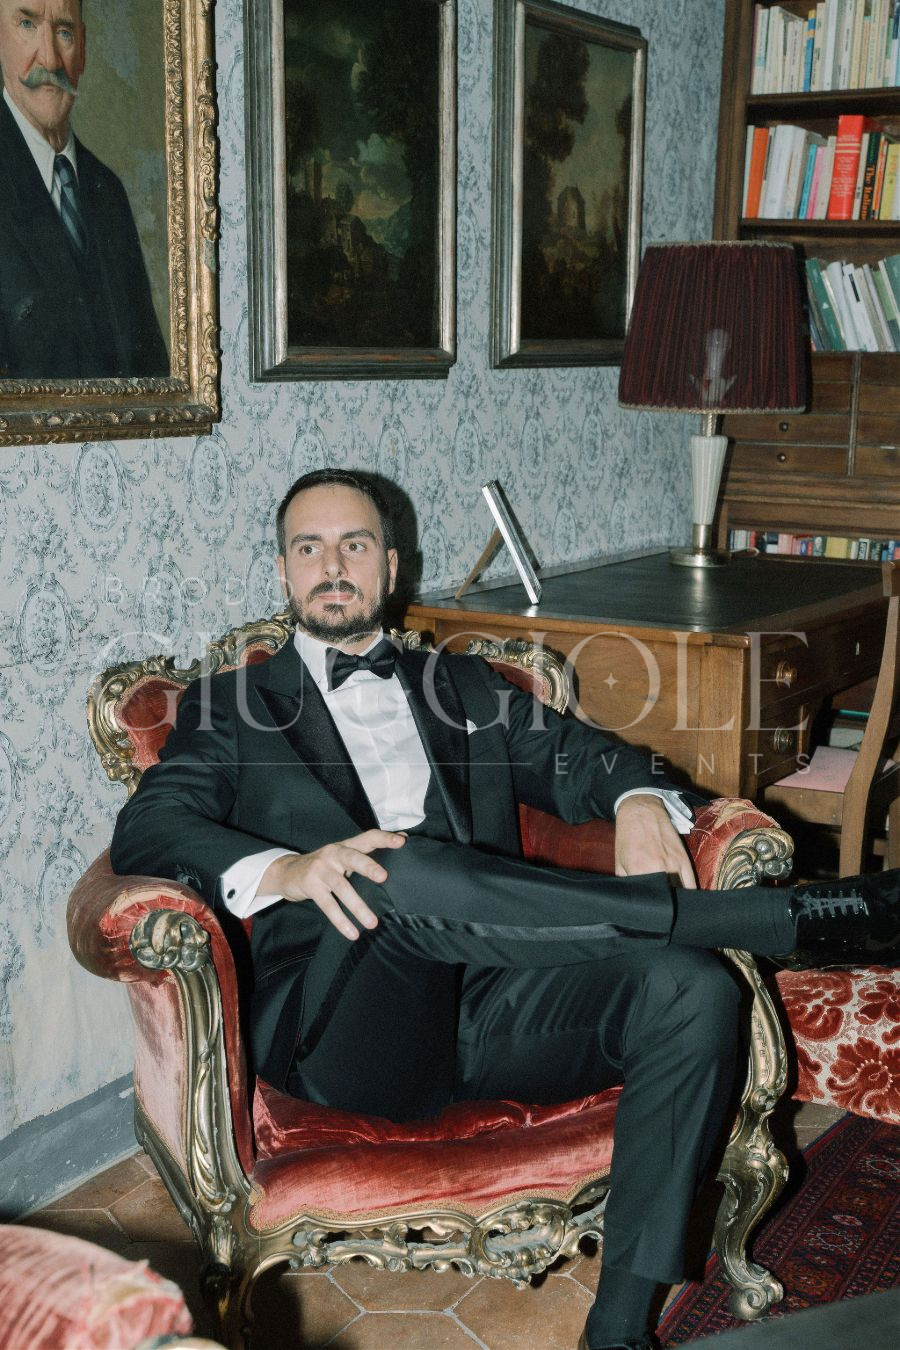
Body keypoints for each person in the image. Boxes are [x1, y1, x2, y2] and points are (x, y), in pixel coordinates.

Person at [111, 469, 900, 1350]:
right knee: (386, 865)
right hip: (348, 1030)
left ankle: (619, 1329)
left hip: (500, 998)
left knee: (694, 990)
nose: (332, 566)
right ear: (284, 569)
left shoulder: (464, 687)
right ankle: (774, 923)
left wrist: (639, 799)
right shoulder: (232, 707)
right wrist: (287, 870)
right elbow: (151, 825)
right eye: (310, 548)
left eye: (355, 545)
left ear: (392, 566)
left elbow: (588, 758)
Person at [0, 0, 168, 379]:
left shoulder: (108, 191)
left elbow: (153, 375)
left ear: (84, 49)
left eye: (64, 32)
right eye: (27, 25)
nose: (50, 59)